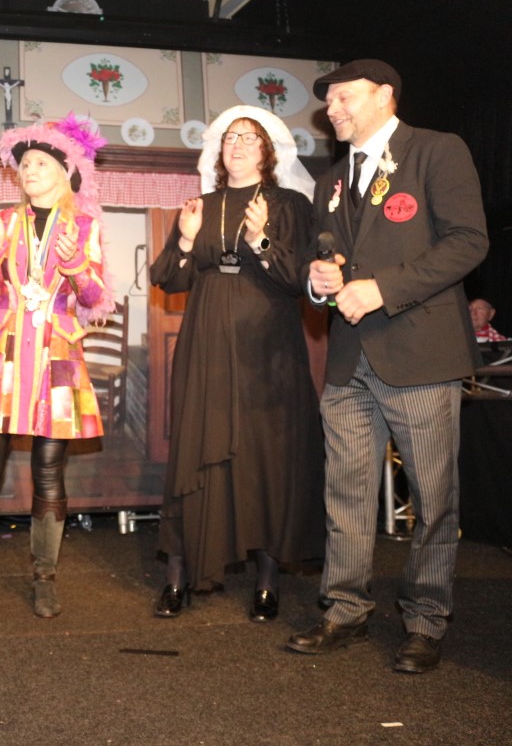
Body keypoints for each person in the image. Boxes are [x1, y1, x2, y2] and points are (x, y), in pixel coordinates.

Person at [287, 60, 488, 673]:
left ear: (385, 95)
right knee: (345, 493)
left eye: (344, 97)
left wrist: (382, 288)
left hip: (421, 354)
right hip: (348, 360)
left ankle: (426, 621)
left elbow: (468, 241)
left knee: (433, 497)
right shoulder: (331, 180)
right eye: (328, 102)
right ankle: (345, 609)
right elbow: (320, 262)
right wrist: (319, 282)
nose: (332, 110)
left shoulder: (436, 151)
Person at [149, 105, 325, 622]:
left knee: (266, 457)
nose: (239, 145)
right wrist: (186, 238)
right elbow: (169, 278)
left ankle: (267, 583)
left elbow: (299, 280)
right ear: (217, 150)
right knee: (197, 448)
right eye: (230, 138)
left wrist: (260, 239)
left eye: (250, 138)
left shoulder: (289, 204)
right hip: (206, 346)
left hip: (268, 349)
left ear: (269, 151)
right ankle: (178, 575)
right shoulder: (200, 205)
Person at [0, 114, 115, 619]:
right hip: (2, 354)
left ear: (65, 172)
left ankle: (44, 578)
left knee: (49, 473)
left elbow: (94, 298)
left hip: (56, 357)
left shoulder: (84, 227)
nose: (29, 170)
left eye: (41, 162)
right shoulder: (1, 220)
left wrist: (75, 265)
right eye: (24, 164)